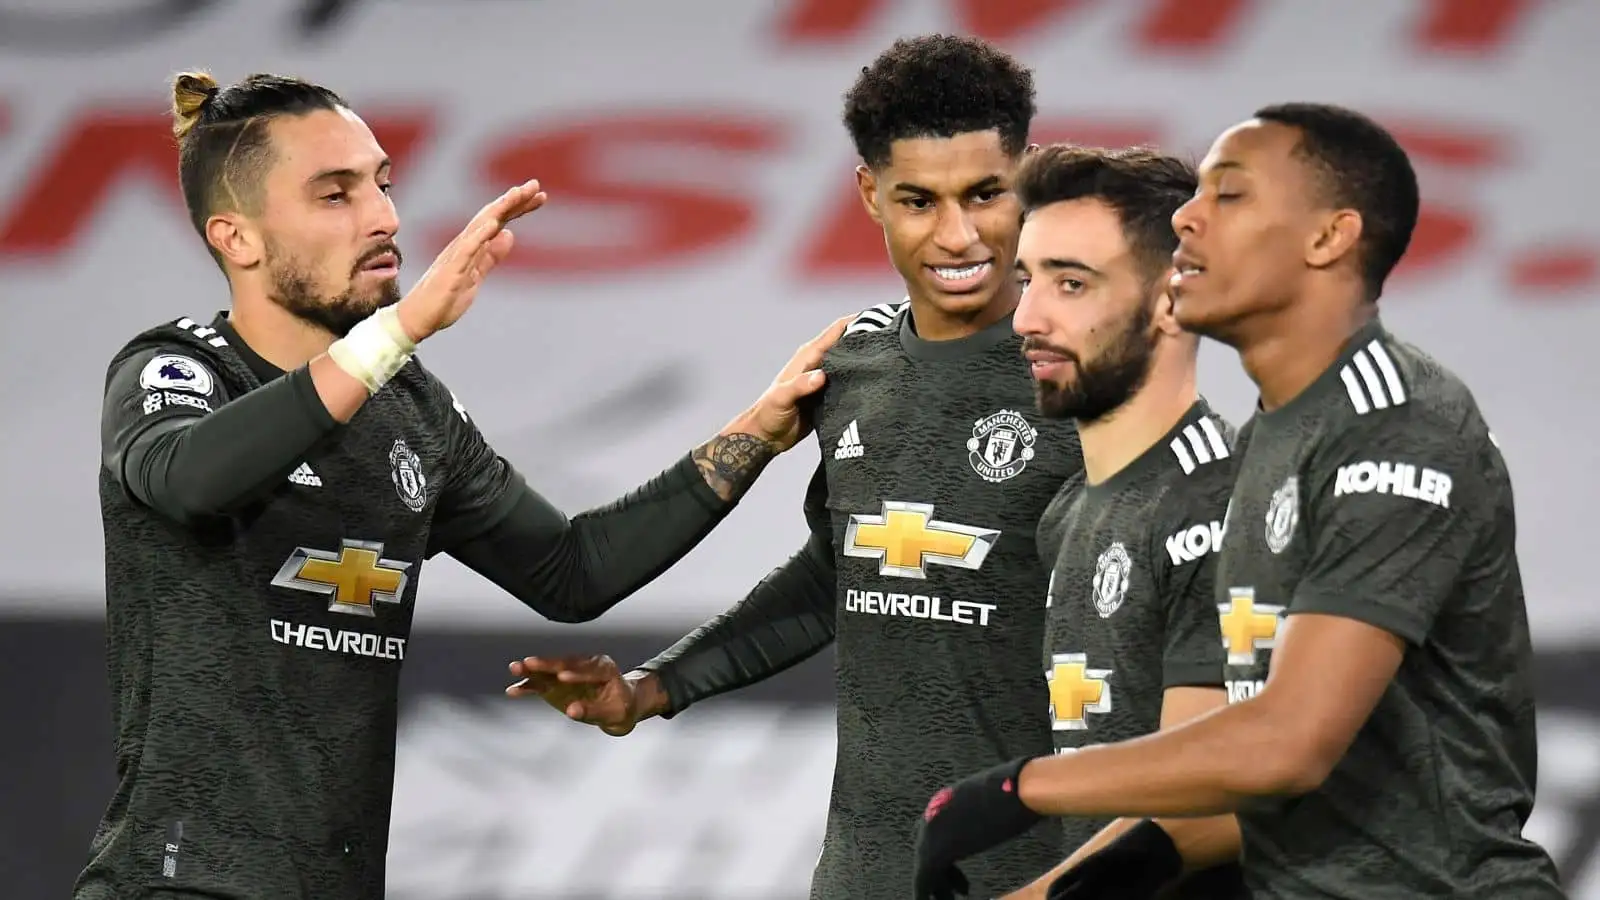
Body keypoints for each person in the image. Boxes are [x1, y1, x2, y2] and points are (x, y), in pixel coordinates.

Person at [76, 71, 840, 900]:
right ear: (239, 238)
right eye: (336, 195)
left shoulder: (411, 411)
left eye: (383, 184)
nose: (384, 217)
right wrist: (399, 332)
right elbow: (190, 480)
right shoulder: (178, 368)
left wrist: (755, 434)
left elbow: (573, 571)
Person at [911, 103, 1567, 900]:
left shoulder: (1396, 426)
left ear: (1328, 239)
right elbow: (1248, 777)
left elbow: (1286, 744)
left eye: (1229, 195)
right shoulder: (1271, 442)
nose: (1189, 216)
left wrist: (1016, 791)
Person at [508, 35, 1080, 898]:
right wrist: (649, 691)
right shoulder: (851, 369)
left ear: (1027, 177)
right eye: (919, 200)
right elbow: (836, 575)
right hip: (865, 872)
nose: (957, 234)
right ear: (868, 194)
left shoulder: (1083, 373)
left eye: (986, 194)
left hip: (1040, 872)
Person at [950, 145, 1246, 900]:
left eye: (1071, 284)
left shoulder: (1220, 505)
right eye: (1028, 280)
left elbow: (1215, 794)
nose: (1027, 317)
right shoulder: (1070, 510)